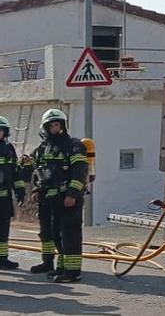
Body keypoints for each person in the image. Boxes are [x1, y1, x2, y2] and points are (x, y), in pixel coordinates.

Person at [28, 108, 88, 282]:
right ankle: (61, 268)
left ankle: (72, 272)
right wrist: (36, 190)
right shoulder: (43, 148)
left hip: (68, 199)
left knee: (70, 235)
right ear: (45, 127)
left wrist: (72, 194)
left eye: (58, 124)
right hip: (50, 200)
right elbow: (38, 172)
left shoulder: (74, 146)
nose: (56, 128)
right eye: (52, 125)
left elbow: (79, 172)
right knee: (56, 235)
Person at [0, 116, 26, 270]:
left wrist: (20, 191)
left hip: (4, 199)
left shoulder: (9, 149)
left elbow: (16, 173)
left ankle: (2, 259)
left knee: (3, 231)